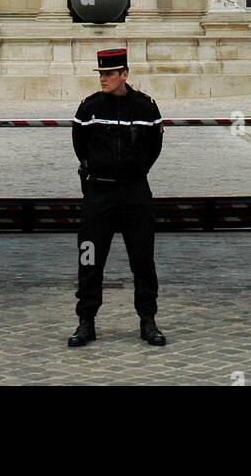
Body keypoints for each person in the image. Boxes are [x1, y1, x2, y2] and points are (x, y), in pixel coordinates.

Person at [68, 48, 166, 346]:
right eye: (101, 74)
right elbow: (80, 147)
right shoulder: (89, 109)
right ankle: (86, 321)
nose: (104, 79)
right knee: (89, 257)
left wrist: (133, 172)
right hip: (99, 192)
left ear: (124, 74)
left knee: (143, 258)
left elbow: (154, 149)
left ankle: (148, 320)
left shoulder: (146, 108)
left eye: (109, 74)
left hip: (134, 191)